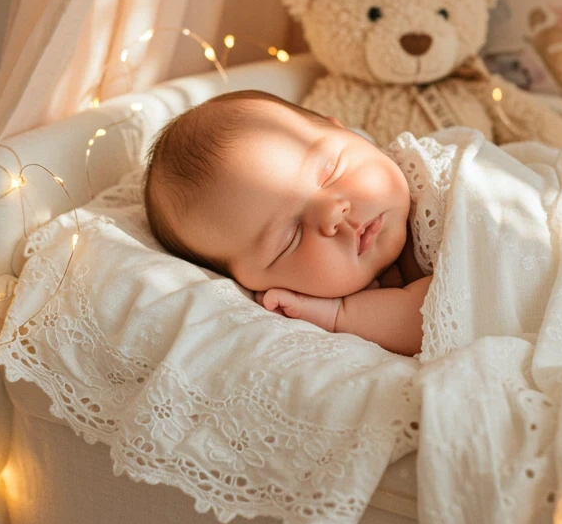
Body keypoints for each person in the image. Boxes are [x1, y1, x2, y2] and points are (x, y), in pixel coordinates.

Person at [143, 89, 432, 357]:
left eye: (330, 172)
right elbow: (435, 317)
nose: (333, 213)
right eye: (291, 237)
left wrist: (340, 314)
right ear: (256, 285)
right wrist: (338, 315)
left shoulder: (435, 175)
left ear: (346, 131)